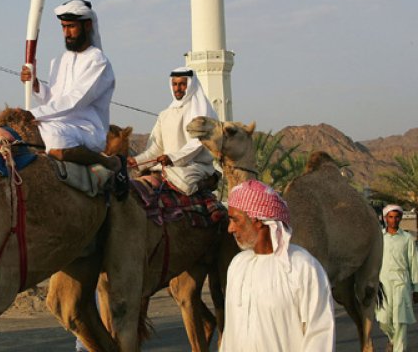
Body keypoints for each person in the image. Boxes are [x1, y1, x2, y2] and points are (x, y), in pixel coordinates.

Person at [20, 0, 128, 199]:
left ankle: (109, 162)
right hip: (56, 122)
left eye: (71, 27)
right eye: (63, 27)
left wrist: (33, 114)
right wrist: (35, 85)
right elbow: (52, 99)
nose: (66, 33)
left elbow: (75, 100)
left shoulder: (98, 61)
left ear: (87, 25)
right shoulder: (58, 61)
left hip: (86, 129)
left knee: (54, 140)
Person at [220, 179, 335, 351]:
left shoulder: (302, 267)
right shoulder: (237, 266)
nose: (230, 228)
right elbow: (230, 333)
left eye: (235, 220)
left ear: (257, 220)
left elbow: (320, 334)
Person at [127, 67, 217, 195]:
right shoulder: (165, 115)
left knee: (183, 183)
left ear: (190, 85)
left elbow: (197, 144)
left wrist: (172, 158)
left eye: (182, 84)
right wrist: (137, 161)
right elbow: (156, 147)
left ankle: (209, 181)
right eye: (175, 84)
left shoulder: (203, 112)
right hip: (168, 166)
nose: (177, 88)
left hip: (194, 166)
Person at [376, 204, 418, 352]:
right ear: (385, 218)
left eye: (397, 217)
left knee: (400, 321)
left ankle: (399, 348)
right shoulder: (378, 238)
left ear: (400, 218)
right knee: (384, 320)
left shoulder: (407, 239)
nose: (394, 220)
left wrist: (416, 288)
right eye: (391, 217)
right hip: (383, 284)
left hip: (402, 283)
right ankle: (392, 340)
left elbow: (414, 263)